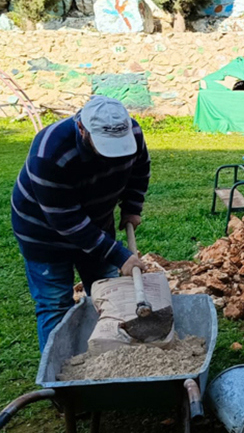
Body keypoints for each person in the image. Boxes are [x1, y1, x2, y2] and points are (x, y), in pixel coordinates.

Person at [11, 96, 150, 352]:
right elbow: (66, 220)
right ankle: (61, 375)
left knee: (109, 295)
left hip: (96, 225)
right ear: (82, 129)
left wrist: (132, 207)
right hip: (43, 232)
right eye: (106, 146)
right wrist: (119, 255)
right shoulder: (50, 152)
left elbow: (140, 169)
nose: (114, 155)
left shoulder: (131, 132)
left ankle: (111, 357)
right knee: (55, 305)